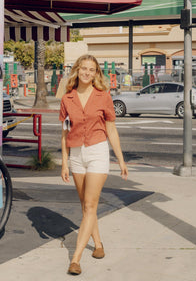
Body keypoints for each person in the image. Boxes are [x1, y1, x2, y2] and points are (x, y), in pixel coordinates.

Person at [59, 54, 128, 276]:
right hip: (76, 154)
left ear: (96, 73)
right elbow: (64, 133)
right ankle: (98, 244)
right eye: (84, 68)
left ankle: (76, 258)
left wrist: (120, 159)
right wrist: (64, 163)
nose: (87, 73)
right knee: (86, 205)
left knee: (90, 205)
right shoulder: (67, 99)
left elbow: (111, 129)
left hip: (97, 152)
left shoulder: (103, 96)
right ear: (77, 70)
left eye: (92, 69)